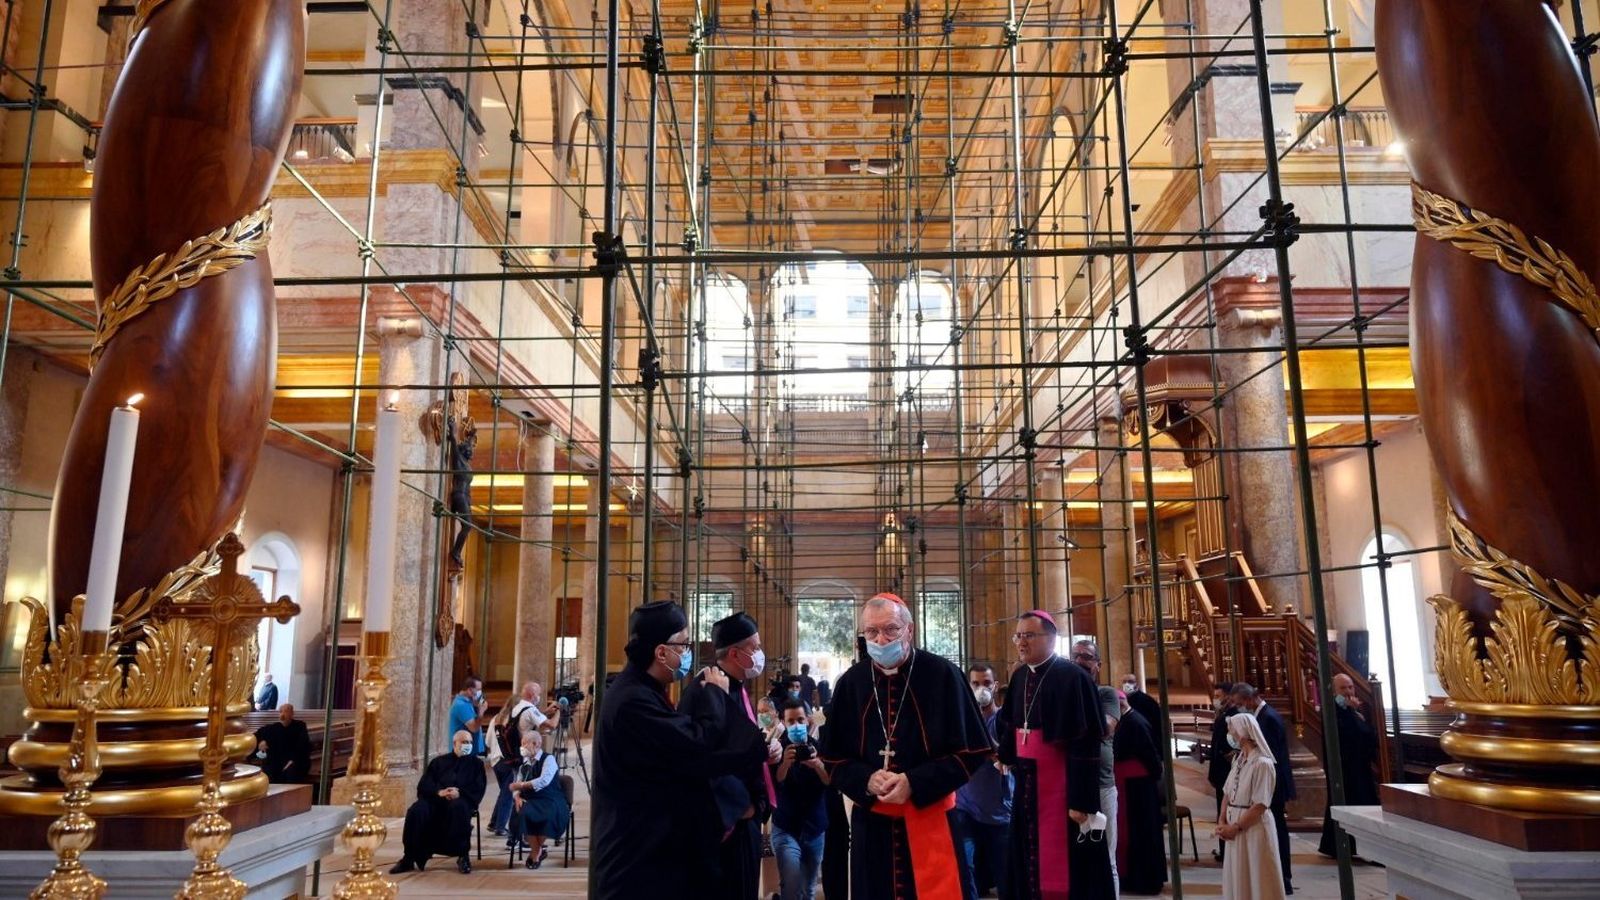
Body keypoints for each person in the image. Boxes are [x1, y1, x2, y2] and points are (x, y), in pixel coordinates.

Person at [818, 592, 993, 900]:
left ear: (909, 630)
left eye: (890, 629)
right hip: (872, 828)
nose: (881, 639)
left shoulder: (943, 675)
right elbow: (832, 758)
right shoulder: (852, 682)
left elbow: (974, 752)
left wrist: (915, 782)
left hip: (932, 817)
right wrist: (866, 779)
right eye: (871, 632)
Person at [590, 600, 767, 900]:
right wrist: (715, 695)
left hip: (648, 850)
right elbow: (696, 747)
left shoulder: (641, 690)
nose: (688, 653)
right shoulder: (633, 700)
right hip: (633, 859)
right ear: (661, 652)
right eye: (684, 645)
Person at [998, 612, 1114, 900]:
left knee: (1069, 863)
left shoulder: (1073, 677)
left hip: (1062, 787)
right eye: (1018, 636)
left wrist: (1081, 801)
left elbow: (1086, 743)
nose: (1021, 642)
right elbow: (1012, 725)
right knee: (1026, 854)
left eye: (1029, 635)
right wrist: (1005, 756)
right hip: (1027, 785)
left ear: (1051, 638)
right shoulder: (1021, 675)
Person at [679, 611, 780, 900]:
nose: (760, 654)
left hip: (743, 820)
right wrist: (742, 808)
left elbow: (736, 744)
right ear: (736, 653)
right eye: (756, 648)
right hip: (725, 827)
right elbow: (701, 757)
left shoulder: (734, 685)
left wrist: (765, 752)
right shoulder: (705, 690)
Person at [390, 730, 487, 875]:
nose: (468, 745)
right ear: (454, 744)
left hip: (462, 800)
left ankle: (462, 856)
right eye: (464, 742)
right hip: (436, 799)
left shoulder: (476, 764)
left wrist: (459, 793)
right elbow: (424, 785)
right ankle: (409, 858)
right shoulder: (439, 762)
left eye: (470, 742)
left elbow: (478, 787)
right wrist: (439, 792)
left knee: (457, 808)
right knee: (416, 811)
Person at [953, 663, 1011, 900]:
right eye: (975, 684)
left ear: (995, 686)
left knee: (1006, 876)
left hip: (999, 811)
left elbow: (1006, 755)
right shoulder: (960, 721)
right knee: (964, 871)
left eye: (986, 684)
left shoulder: (1004, 721)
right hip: (964, 807)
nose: (981, 689)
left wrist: (984, 742)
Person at [1231, 683, 1295, 894]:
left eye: (1240, 704)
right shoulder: (1260, 716)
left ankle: (1282, 877)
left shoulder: (1269, 718)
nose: (1240, 708)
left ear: (1250, 699)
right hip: (1265, 783)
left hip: (1271, 785)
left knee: (1276, 830)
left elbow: (1269, 754)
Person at [1071, 637, 1123, 895]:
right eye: (1076, 656)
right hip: (1070, 787)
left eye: (1087, 657)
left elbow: (1104, 728)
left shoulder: (1105, 693)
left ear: (1098, 664)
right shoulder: (1065, 694)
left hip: (1101, 787)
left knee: (1106, 859)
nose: (1080, 661)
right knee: (1075, 858)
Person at [1218, 713, 1286, 900]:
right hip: (1234, 823)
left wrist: (1236, 827)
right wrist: (1222, 820)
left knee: (1258, 876)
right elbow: (1227, 792)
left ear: (1243, 733)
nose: (1229, 734)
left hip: (1253, 826)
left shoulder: (1263, 764)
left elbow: (1260, 804)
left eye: (1232, 730)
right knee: (1238, 874)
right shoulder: (1238, 759)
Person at [772, 698, 830, 900]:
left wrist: (818, 765)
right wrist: (785, 764)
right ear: (784, 722)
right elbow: (775, 782)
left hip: (814, 828)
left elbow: (829, 782)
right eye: (791, 721)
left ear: (808, 721)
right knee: (791, 886)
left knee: (809, 890)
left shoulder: (819, 748)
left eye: (800, 720)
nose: (796, 725)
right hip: (786, 827)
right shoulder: (777, 750)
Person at [1317, 674, 1380, 859]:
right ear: (1334, 690)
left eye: (1351, 687)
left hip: (1359, 767)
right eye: (1343, 688)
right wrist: (1354, 716)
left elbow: (1368, 736)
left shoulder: (1355, 711)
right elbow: (1345, 735)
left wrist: (1356, 716)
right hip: (1343, 768)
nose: (1349, 692)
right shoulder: (1331, 710)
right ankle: (1338, 846)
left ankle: (1362, 847)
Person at [1113, 691, 1167, 895]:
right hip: (1131, 785)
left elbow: (1151, 757)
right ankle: (1133, 877)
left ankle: (1143, 880)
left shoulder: (1135, 722)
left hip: (1137, 788)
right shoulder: (1128, 719)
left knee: (1140, 833)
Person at [491, 681, 559, 836]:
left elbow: (528, 721)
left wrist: (545, 711)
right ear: (531, 694)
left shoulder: (517, 708)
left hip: (512, 756)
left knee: (511, 792)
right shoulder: (529, 710)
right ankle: (515, 829)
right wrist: (559, 711)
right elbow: (551, 725)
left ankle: (504, 826)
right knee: (519, 793)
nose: (539, 697)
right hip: (524, 755)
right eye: (538, 693)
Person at [509, 730, 569, 869]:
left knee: (548, 816)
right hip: (530, 798)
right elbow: (516, 782)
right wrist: (517, 796)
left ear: (536, 744)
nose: (522, 747)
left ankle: (535, 852)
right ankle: (537, 851)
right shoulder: (524, 762)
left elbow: (544, 780)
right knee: (523, 813)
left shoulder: (548, 759)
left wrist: (522, 785)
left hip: (550, 797)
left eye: (524, 743)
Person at [1209, 682, 1237, 863]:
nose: (1216, 699)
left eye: (1218, 696)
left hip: (1227, 770)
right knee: (1221, 809)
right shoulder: (1224, 713)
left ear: (1228, 696)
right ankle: (1223, 849)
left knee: (1226, 810)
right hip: (1219, 770)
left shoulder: (1234, 715)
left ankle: (1228, 850)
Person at [253, 703, 311, 784]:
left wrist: (292, 760)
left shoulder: (300, 726)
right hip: (277, 762)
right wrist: (262, 741)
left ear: (292, 714)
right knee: (268, 767)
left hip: (294, 762)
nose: (282, 714)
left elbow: (303, 746)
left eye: (286, 712)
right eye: (280, 712)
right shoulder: (273, 728)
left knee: (292, 770)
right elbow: (258, 735)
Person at [1119, 672, 1167, 745]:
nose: (1127, 684)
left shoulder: (1147, 700)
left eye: (1130, 682)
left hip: (1145, 738)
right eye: (1124, 682)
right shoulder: (1121, 700)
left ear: (1137, 684)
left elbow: (1156, 723)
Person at [449, 675, 486, 756]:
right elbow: (474, 728)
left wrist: (477, 704)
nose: (480, 693)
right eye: (478, 690)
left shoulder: (468, 702)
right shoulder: (461, 705)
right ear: (469, 690)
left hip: (468, 751)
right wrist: (481, 712)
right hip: (462, 751)